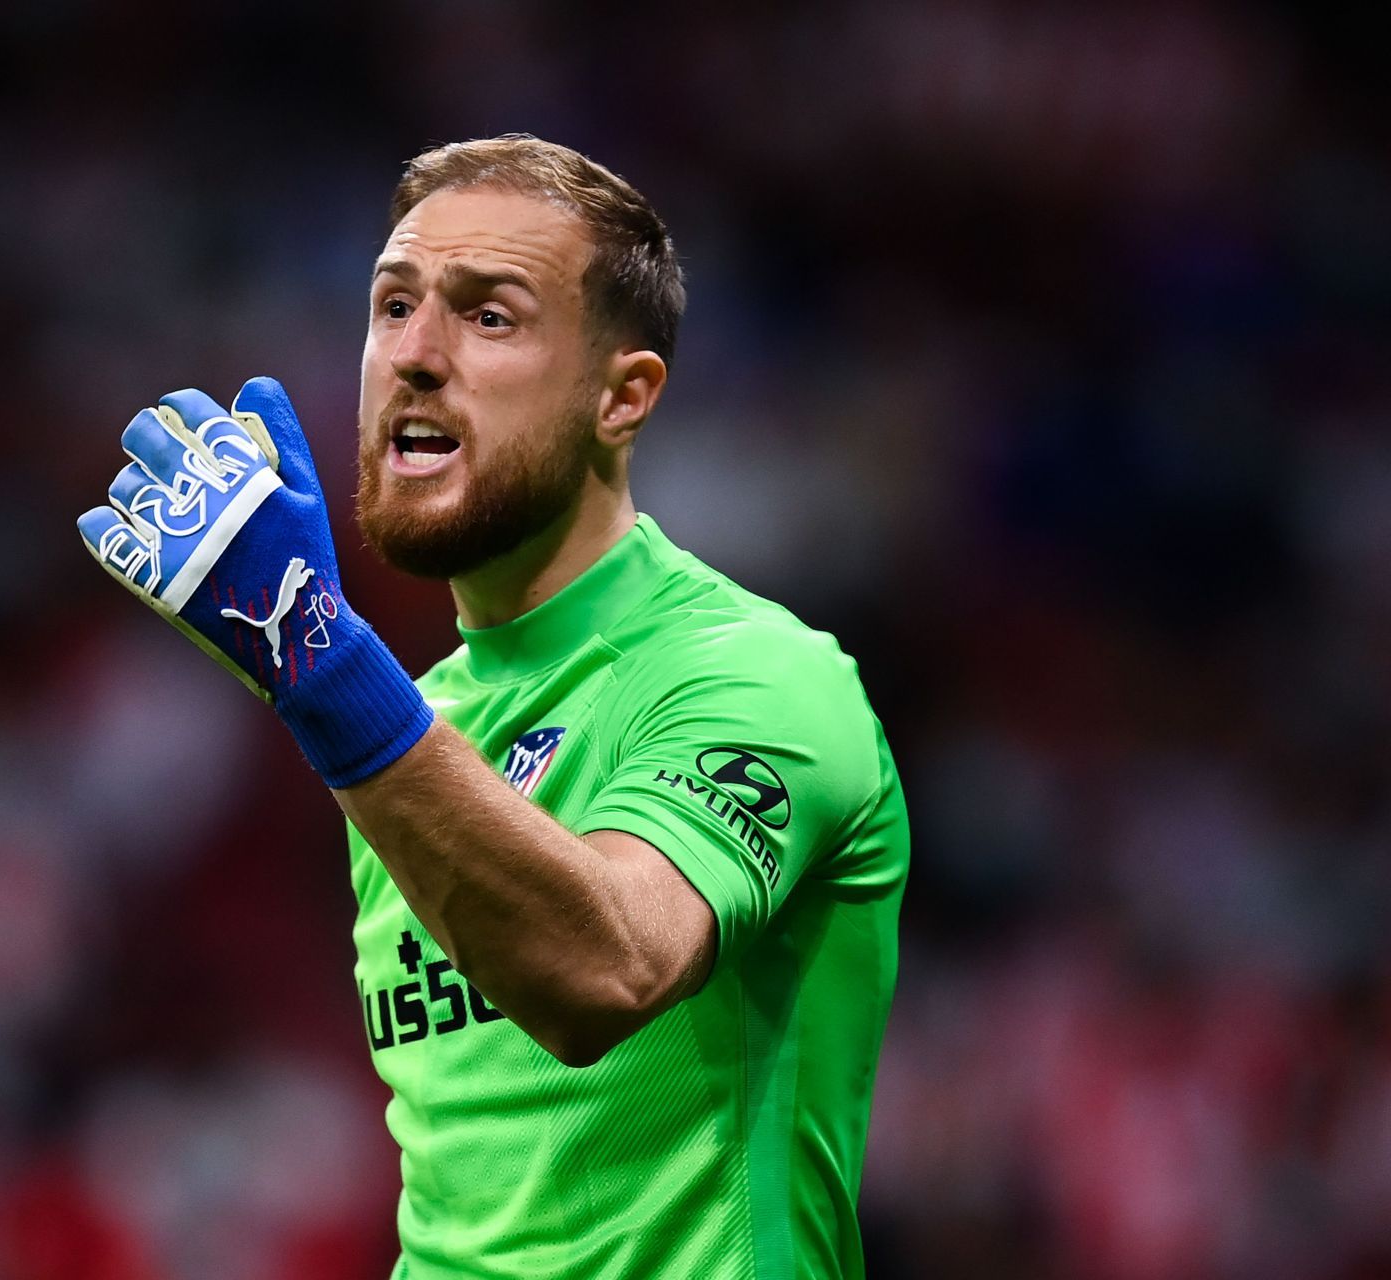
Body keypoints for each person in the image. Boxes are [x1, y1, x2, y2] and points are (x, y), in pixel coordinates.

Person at [77, 134, 909, 1280]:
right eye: (393, 305)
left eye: (490, 316)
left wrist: (319, 668)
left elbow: (604, 969)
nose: (415, 356)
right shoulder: (414, 729)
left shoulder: (758, 674)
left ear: (622, 397)